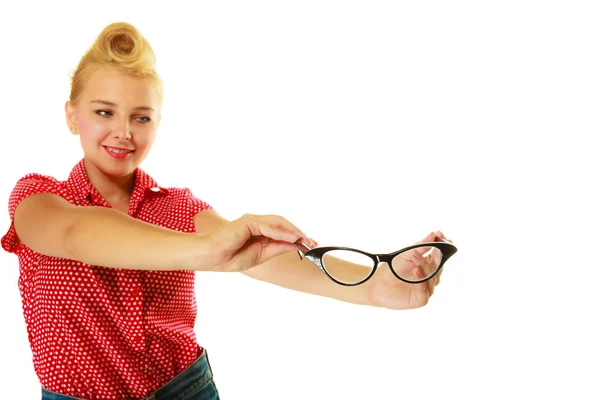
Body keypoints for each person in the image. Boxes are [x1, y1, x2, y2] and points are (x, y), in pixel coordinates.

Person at [1, 22, 450, 400]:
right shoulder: (39, 199)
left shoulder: (177, 206)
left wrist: (375, 285)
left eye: (142, 117)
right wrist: (206, 251)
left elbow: (257, 257)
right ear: (71, 115)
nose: (123, 132)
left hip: (186, 389)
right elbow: (76, 234)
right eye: (104, 111)